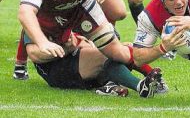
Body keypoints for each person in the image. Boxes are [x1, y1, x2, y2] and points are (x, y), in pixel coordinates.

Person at [18, 0, 162, 97]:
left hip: (81, 8)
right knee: (102, 56)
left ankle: (151, 76)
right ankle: (129, 83)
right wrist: (44, 42)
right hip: (51, 34)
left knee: (117, 51)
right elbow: (25, 13)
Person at [25, 30, 162, 98]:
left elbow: (83, 39)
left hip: (76, 63)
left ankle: (108, 85)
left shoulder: (72, 5)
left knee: (121, 47)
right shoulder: (37, 15)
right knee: (107, 53)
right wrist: (66, 49)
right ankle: (141, 87)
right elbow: (33, 54)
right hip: (55, 70)